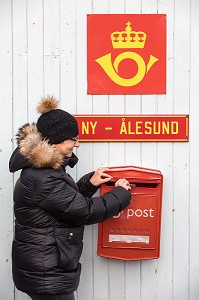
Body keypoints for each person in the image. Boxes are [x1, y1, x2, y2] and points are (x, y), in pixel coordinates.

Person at [9, 96, 131, 300]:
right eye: (73, 139)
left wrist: (89, 183)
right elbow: (84, 211)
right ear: (56, 141)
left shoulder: (43, 171)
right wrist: (121, 194)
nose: (78, 144)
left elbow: (63, 205)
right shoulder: (43, 178)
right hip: (46, 272)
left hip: (45, 266)